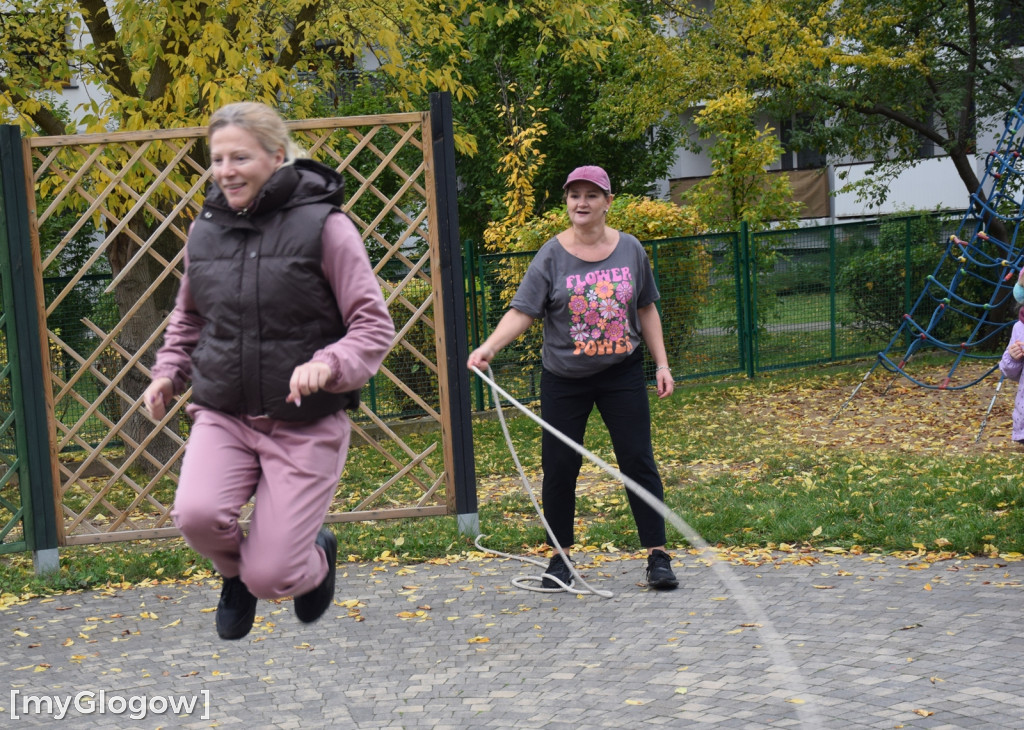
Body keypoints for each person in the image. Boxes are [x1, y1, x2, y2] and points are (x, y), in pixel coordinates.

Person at [143, 101, 395, 639]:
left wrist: (329, 363)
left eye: (240, 157)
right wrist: (168, 371)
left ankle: (312, 559)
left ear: (276, 156)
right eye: (217, 159)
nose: (225, 170)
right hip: (224, 412)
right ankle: (236, 573)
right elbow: (189, 318)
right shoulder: (205, 231)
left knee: (272, 575)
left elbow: (373, 325)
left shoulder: (325, 227)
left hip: (303, 421)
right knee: (195, 515)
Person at [466, 165, 678, 591]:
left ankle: (658, 556)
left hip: (621, 373)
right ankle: (559, 558)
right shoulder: (551, 255)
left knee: (637, 460)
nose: (582, 203)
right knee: (560, 467)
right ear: (566, 201)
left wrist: (662, 364)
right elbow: (523, 311)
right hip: (564, 379)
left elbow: (646, 307)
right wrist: (490, 347)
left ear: (608, 202)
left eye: (591, 195)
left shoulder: (631, 249)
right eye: (574, 195)